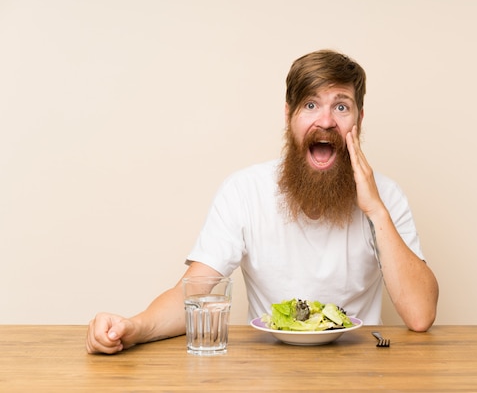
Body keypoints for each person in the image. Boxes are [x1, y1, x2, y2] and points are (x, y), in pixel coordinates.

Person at [86, 49, 439, 354]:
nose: (326, 120)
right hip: (269, 370)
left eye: (341, 106)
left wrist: (375, 209)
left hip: (361, 370)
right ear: (288, 116)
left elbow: (420, 315)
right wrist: (132, 328)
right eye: (311, 105)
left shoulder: (386, 196)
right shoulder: (244, 191)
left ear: (358, 121)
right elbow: (194, 292)